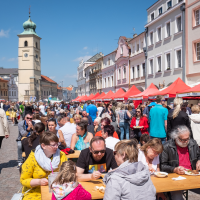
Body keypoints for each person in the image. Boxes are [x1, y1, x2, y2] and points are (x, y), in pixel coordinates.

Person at [20, 131, 68, 200]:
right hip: (35, 193)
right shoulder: (33, 158)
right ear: (43, 146)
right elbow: (23, 180)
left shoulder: (61, 155)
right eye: (53, 145)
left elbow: (67, 173)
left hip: (58, 191)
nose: (57, 147)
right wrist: (39, 182)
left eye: (57, 144)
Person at [160, 125, 200, 200]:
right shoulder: (167, 147)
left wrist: (199, 160)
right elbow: (162, 166)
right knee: (177, 197)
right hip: (176, 178)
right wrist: (175, 169)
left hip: (193, 175)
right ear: (176, 137)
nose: (186, 142)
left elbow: (199, 155)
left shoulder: (193, 143)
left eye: (187, 139)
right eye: (183, 140)